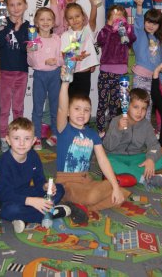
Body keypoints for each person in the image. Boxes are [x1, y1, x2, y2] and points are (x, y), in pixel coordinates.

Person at [55, 69, 129, 214]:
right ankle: (90, 200)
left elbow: (103, 160)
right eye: (77, 109)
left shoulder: (92, 134)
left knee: (114, 194)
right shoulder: (64, 129)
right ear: (68, 112)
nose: (82, 113)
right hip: (66, 182)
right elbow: (61, 108)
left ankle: (82, 207)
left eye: (86, 110)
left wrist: (114, 186)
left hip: (85, 180)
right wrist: (65, 83)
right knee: (93, 196)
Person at [0, 118, 87, 233]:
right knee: (8, 211)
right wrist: (32, 201)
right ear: (8, 140)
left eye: (27, 138)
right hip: (7, 198)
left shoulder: (33, 156)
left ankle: (28, 217)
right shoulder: (3, 162)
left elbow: (39, 180)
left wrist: (45, 186)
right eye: (16, 138)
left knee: (59, 189)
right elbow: (5, 194)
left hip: (26, 191)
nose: (22, 143)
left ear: (33, 140)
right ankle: (51, 213)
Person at [102, 88, 162, 189]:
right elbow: (108, 146)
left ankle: (125, 174)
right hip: (116, 156)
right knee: (106, 161)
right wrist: (118, 130)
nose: (139, 112)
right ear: (127, 106)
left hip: (136, 158)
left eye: (143, 108)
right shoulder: (116, 121)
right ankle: (143, 179)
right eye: (136, 107)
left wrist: (150, 159)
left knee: (161, 159)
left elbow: (154, 145)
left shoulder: (146, 125)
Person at [96, 4, 136, 135]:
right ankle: (100, 129)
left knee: (115, 103)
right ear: (108, 18)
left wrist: (127, 28)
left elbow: (132, 39)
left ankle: (112, 128)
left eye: (120, 15)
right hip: (105, 72)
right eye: (114, 14)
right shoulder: (106, 30)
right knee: (102, 103)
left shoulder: (126, 30)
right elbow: (100, 40)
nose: (117, 17)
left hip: (121, 73)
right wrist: (109, 26)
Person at [0, 0, 29, 152]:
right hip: (4, 72)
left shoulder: (28, 26)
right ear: (7, 7)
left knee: (18, 108)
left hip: (21, 73)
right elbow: (0, 43)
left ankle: (18, 137)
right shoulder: (2, 22)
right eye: (12, 5)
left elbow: (25, 49)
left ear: (25, 6)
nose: (16, 8)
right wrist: (7, 28)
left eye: (19, 4)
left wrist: (18, 30)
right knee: (4, 108)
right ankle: (4, 137)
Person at [27, 7, 63, 149]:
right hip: (39, 75)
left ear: (54, 22)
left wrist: (56, 61)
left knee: (55, 106)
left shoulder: (57, 39)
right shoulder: (33, 39)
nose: (45, 22)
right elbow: (30, 62)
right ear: (36, 22)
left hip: (55, 75)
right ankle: (36, 137)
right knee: (37, 107)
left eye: (49, 19)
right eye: (42, 19)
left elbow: (62, 58)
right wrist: (30, 50)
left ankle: (55, 134)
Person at [131, 2, 162, 122]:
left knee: (148, 105)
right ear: (144, 22)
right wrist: (139, 5)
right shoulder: (140, 34)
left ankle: (146, 128)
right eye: (149, 22)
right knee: (137, 105)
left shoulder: (160, 40)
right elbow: (138, 22)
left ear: (159, 26)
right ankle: (135, 127)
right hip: (140, 77)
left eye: (155, 23)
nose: (151, 25)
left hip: (153, 79)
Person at [60, 1, 99, 98]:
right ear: (67, 21)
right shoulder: (65, 35)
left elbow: (93, 20)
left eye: (77, 16)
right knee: (69, 101)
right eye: (70, 18)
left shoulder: (88, 31)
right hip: (69, 74)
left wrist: (94, 5)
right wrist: (76, 57)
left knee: (82, 100)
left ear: (83, 17)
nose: (75, 20)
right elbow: (64, 54)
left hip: (84, 74)